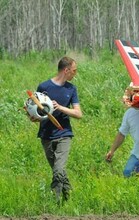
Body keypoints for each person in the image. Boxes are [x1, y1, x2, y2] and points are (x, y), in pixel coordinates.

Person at [29, 56, 82, 204]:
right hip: (46, 135)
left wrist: (60, 107)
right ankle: (69, 199)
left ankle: (55, 202)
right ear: (66, 70)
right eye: (74, 70)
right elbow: (35, 110)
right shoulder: (44, 87)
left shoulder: (71, 89)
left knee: (58, 170)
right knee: (59, 172)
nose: (75, 73)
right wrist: (34, 117)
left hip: (64, 134)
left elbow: (78, 114)